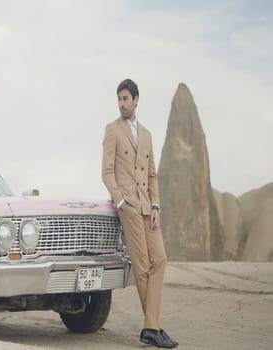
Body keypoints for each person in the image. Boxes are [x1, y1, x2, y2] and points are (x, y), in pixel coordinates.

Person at [101, 79, 178, 348]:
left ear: (136, 100)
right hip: (129, 207)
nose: (122, 104)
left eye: (125, 98)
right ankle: (154, 329)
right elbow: (106, 171)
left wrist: (155, 206)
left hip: (147, 206)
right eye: (119, 99)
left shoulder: (146, 134)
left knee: (161, 259)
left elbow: (153, 175)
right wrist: (121, 202)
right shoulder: (112, 130)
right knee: (143, 267)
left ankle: (151, 326)